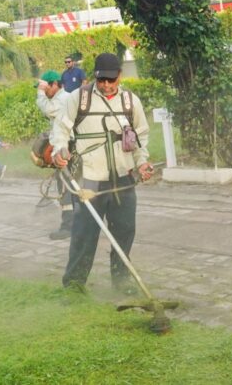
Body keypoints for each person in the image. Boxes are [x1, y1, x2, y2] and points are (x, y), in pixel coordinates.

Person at [50, 52, 155, 293]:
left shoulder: (130, 102)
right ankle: (74, 284)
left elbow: (140, 137)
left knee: (125, 230)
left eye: (111, 80)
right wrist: (60, 150)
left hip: (123, 177)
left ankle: (122, 280)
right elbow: (61, 130)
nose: (106, 85)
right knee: (84, 234)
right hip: (89, 180)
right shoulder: (79, 99)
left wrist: (142, 163)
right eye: (101, 80)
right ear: (94, 77)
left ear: (120, 75)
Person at [36, 70, 74, 240]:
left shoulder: (63, 99)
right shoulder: (63, 98)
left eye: (45, 89)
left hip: (68, 147)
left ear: (54, 85)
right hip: (65, 146)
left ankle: (69, 227)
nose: (44, 92)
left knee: (66, 187)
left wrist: (39, 94)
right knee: (67, 185)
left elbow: (47, 109)